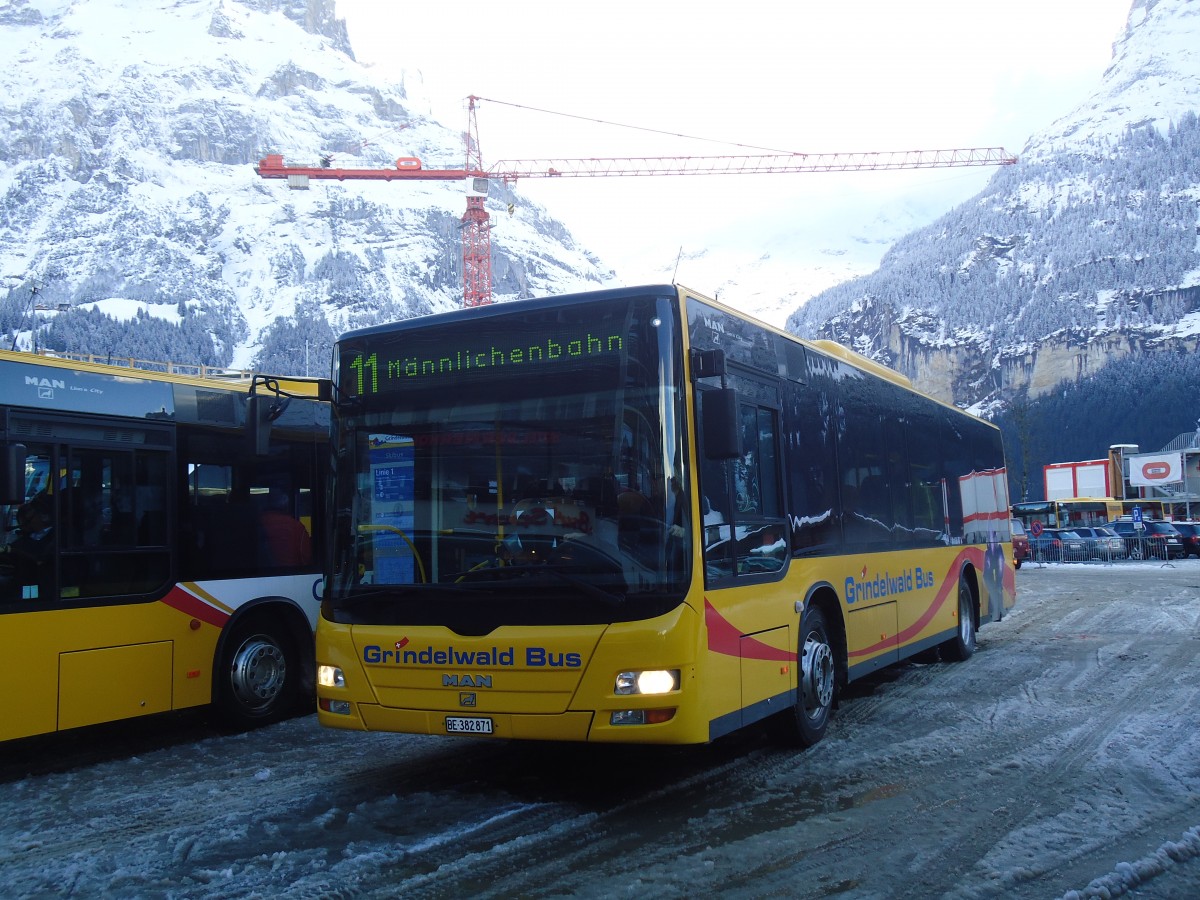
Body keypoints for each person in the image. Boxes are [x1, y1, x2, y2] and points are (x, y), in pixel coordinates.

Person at [258, 490, 312, 567]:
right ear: (286, 504)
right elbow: (306, 557)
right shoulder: (296, 527)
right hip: (292, 572)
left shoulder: (257, 521)